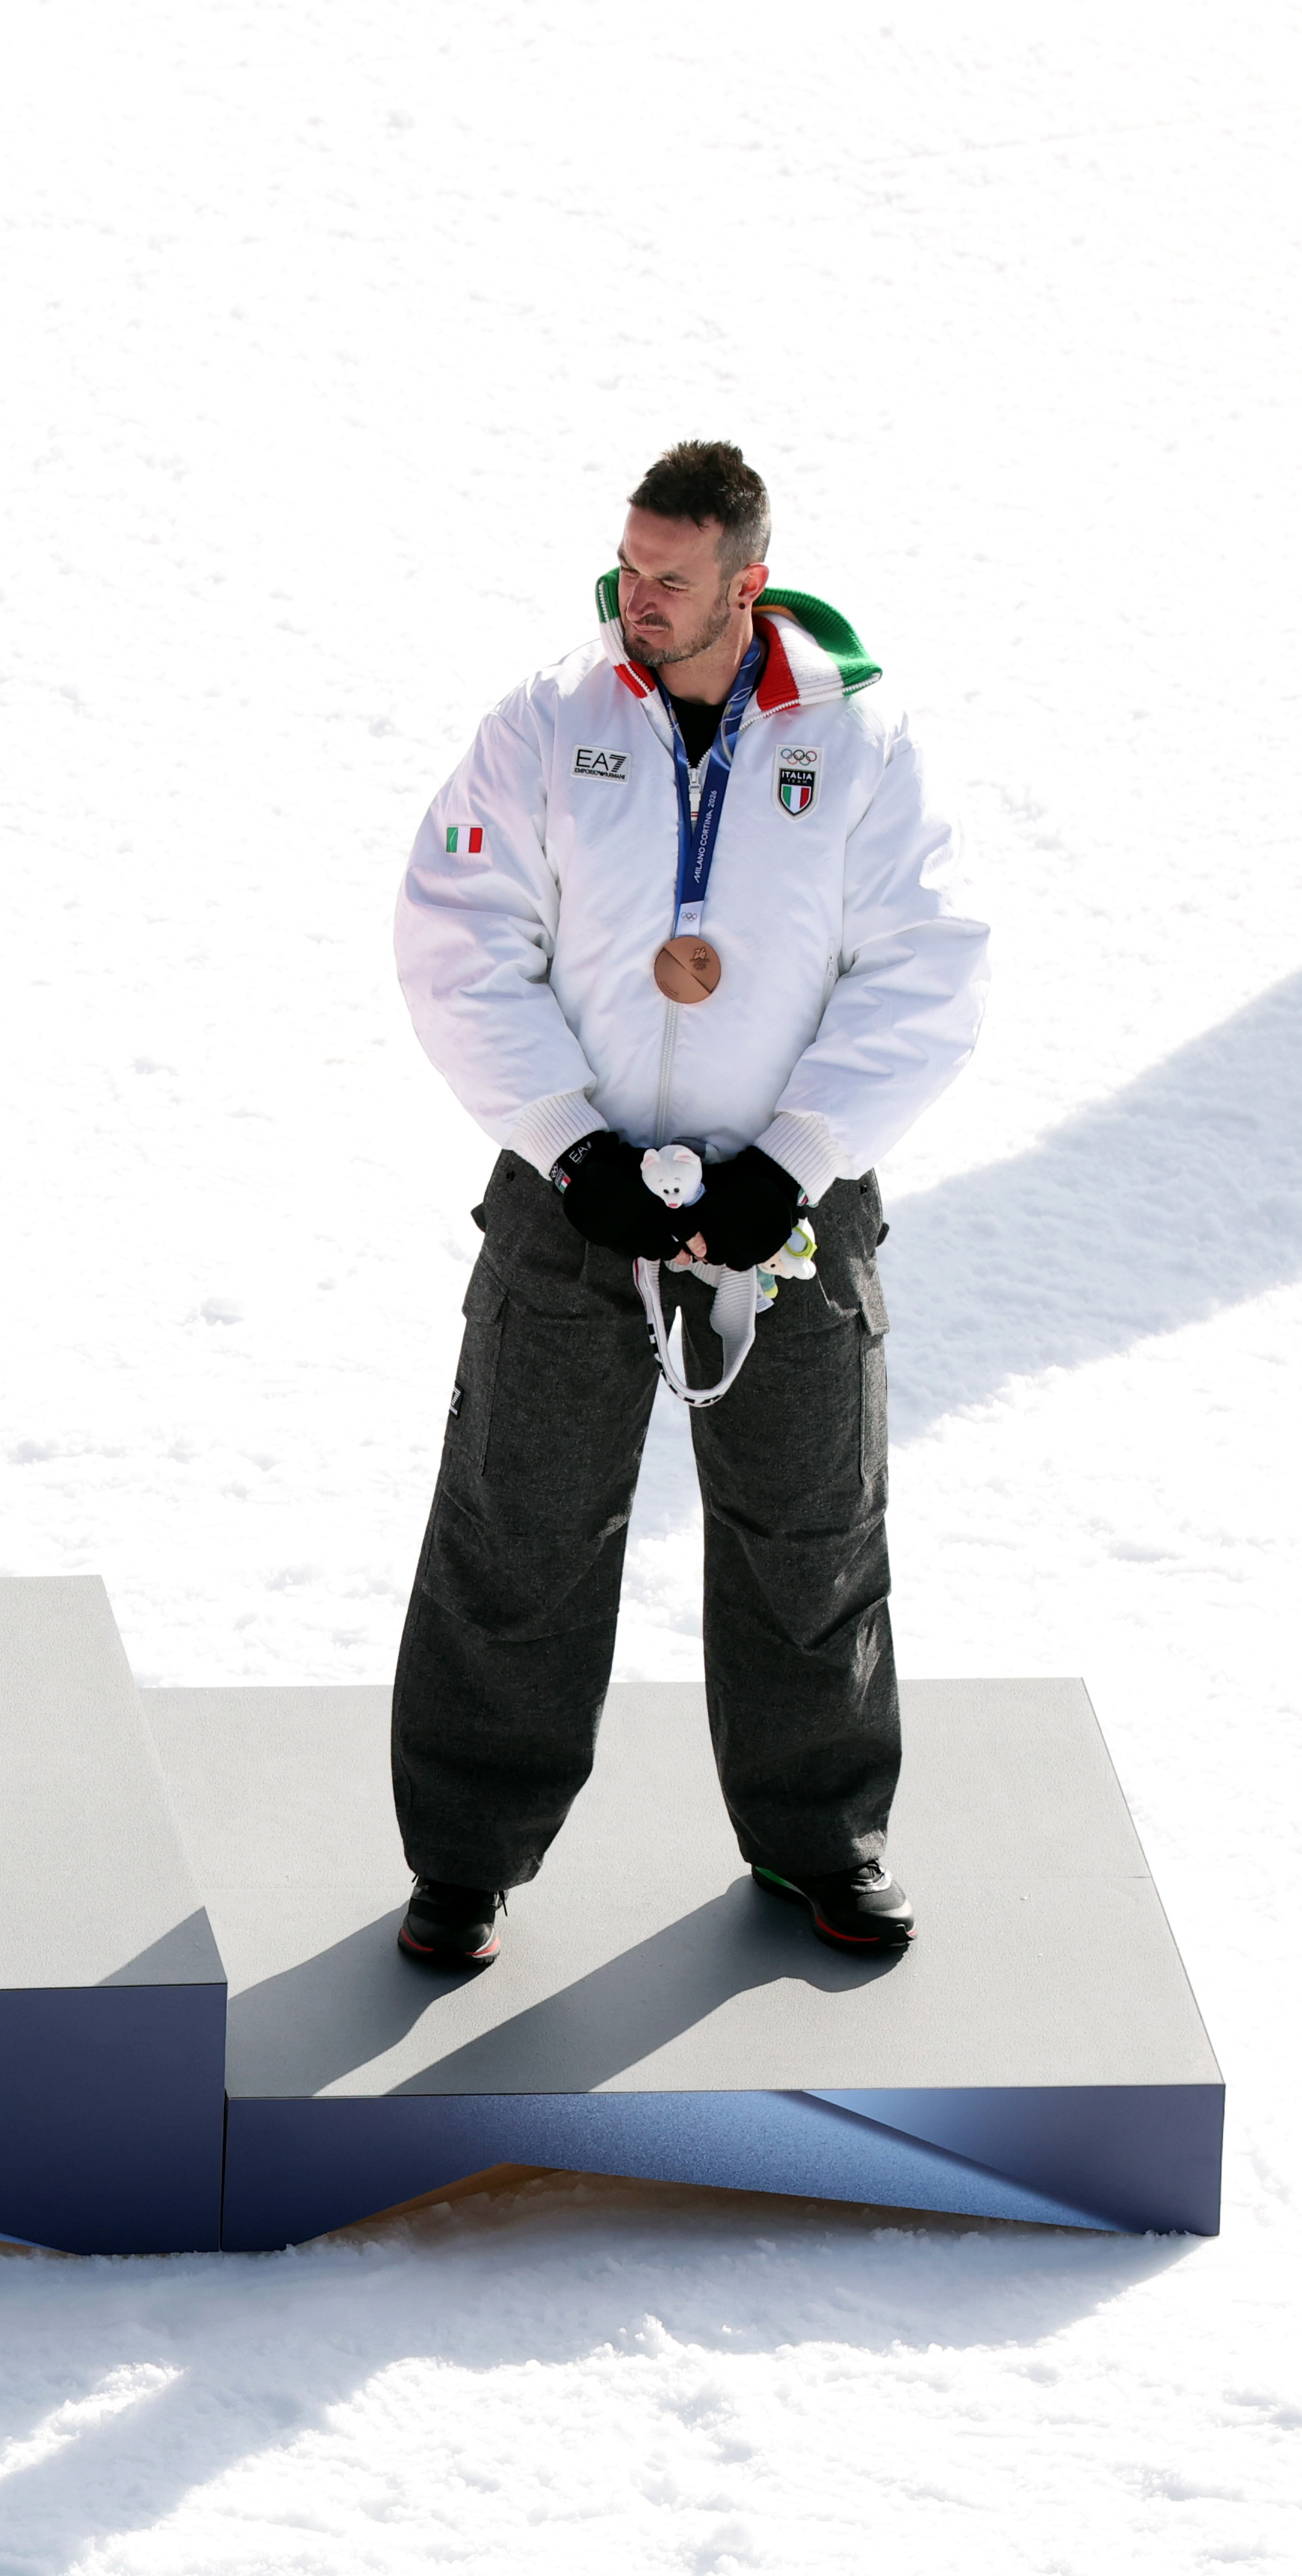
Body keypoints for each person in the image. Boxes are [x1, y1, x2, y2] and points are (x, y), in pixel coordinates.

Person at [388, 441, 986, 1966]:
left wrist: (794, 1158)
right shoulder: (550, 719)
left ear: (749, 584)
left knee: (810, 1529)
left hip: (792, 1211)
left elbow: (926, 967)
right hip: (569, 1198)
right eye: (628, 566)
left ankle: (821, 1839)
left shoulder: (859, 740)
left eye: (670, 577)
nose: (634, 598)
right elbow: (458, 932)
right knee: (515, 1523)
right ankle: (464, 1857)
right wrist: (569, 1143)